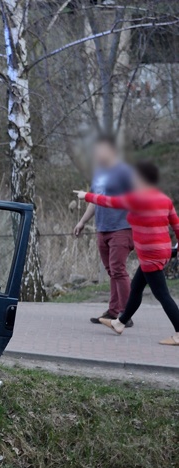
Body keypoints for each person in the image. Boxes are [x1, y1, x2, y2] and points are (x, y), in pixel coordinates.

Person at [74, 161, 179, 346]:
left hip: (150, 255)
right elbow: (177, 226)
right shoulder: (164, 199)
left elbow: (110, 201)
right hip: (162, 251)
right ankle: (120, 322)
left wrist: (86, 196)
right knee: (137, 287)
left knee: (162, 295)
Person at [73, 135, 135, 326]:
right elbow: (94, 200)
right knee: (112, 271)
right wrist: (82, 221)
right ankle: (114, 311)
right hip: (103, 228)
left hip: (122, 228)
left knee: (118, 270)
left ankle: (125, 314)